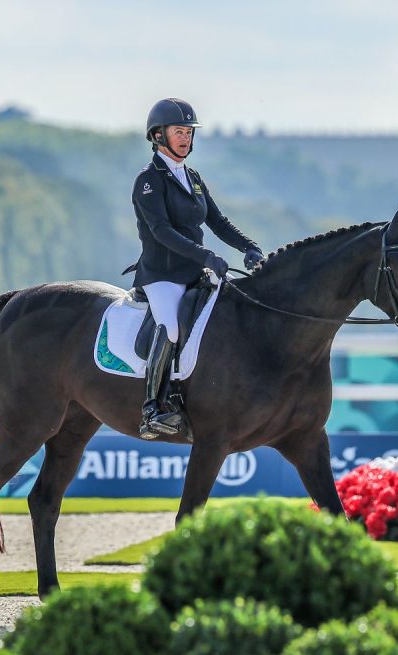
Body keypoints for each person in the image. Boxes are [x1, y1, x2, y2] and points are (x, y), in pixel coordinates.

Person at [125, 98, 264, 439]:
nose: (186, 138)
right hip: (162, 275)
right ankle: (152, 409)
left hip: (194, 273)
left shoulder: (192, 177)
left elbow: (217, 221)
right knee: (171, 327)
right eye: (179, 132)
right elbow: (161, 232)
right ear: (158, 136)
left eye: (188, 132)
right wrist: (205, 257)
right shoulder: (149, 180)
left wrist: (248, 246)